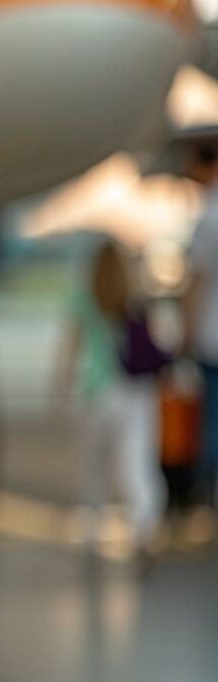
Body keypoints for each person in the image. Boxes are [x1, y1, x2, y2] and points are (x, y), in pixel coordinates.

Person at [56, 239, 166, 573]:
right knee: (136, 463)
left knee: (94, 464)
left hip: (97, 391)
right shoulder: (134, 299)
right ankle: (143, 528)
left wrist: (61, 386)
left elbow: (72, 348)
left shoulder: (84, 298)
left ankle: (92, 529)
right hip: (134, 390)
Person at [184, 142, 218, 510]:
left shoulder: (208, 217)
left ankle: (207, 497)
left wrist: (186, 332)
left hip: (212, 337)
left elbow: (197, 280)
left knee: (211, 423)